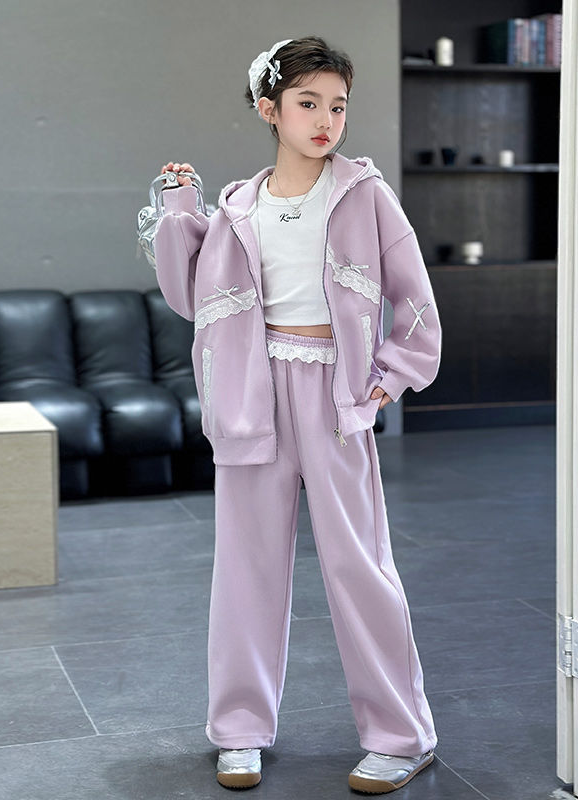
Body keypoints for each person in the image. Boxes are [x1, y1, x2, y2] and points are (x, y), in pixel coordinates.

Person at [152, 35, 441, 795]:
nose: (325, 120)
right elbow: (188, 296)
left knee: (359, 564)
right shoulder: (238, 207)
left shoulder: (364, 194)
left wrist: (388, 379)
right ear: (268, 109)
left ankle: (402, 735)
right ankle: (239, 729)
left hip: (336, 394)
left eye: (337, 106)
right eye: (307, 103)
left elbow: (414, 297)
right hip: (251, 392)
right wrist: (180, 209)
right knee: (246, 567)